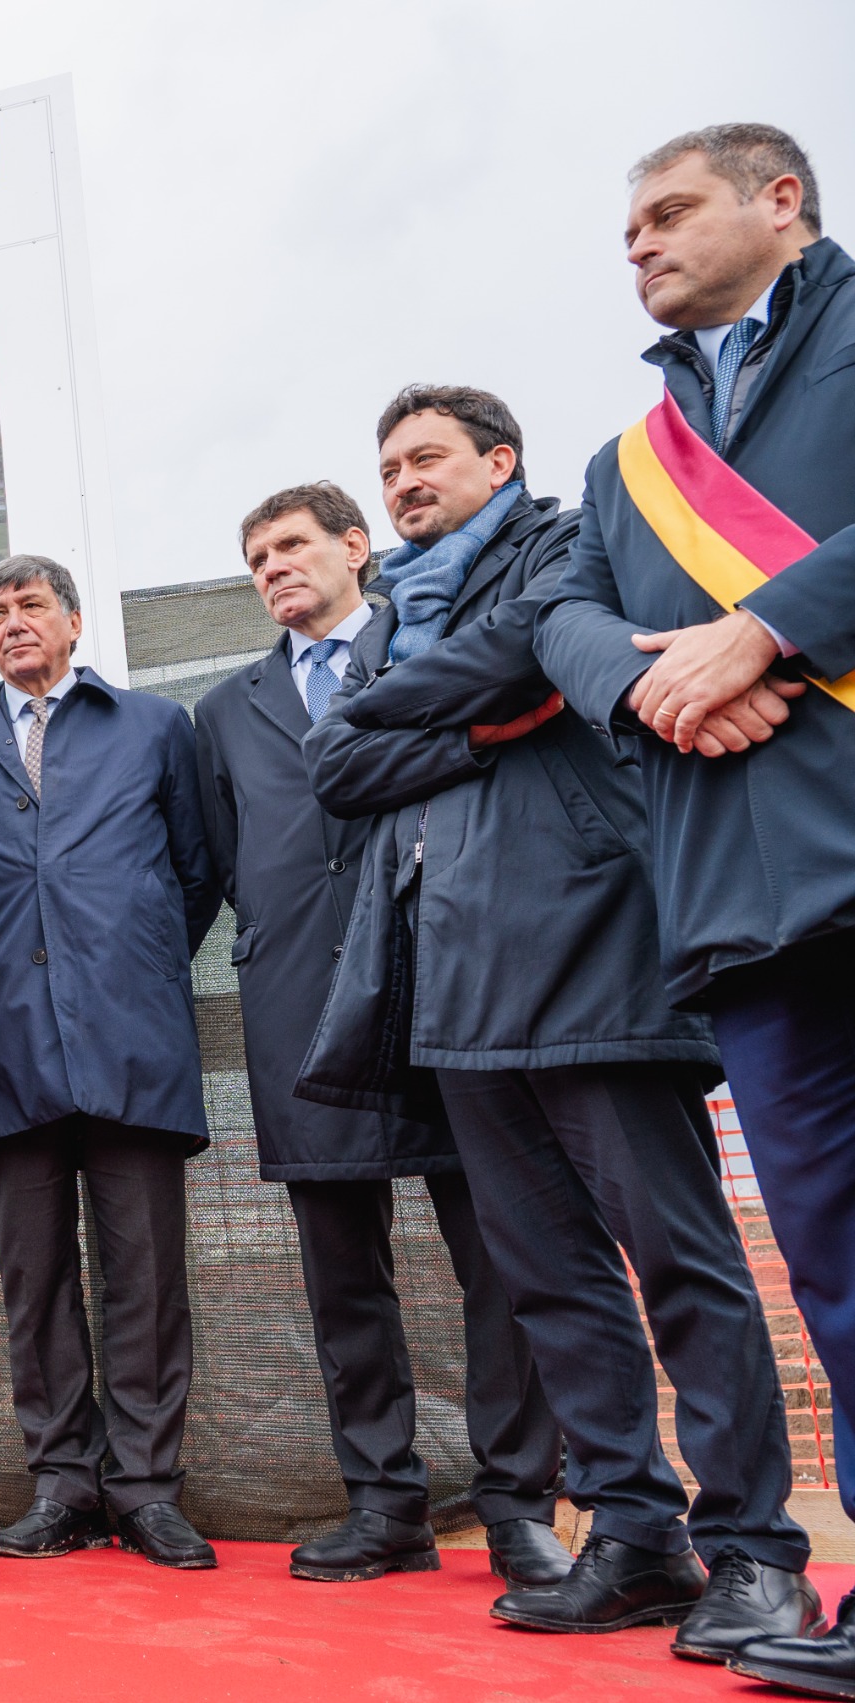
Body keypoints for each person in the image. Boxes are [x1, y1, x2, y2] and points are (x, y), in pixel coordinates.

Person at [307, 383, 815, 1660]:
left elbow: (535, 645)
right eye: (389, 466)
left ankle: (753, 1547)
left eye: (427, 458)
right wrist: (475, 724)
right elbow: (336, 763)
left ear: (500, 460)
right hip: (455, 983)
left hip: (600, 956)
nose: (405, 481)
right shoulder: (390, 622)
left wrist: (442, 695)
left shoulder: (561, 541)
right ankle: (635, 1535)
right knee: (547, 1281)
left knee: (683, 1265)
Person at [533, 125, 855, 1694]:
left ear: (779, 201)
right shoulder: (625, 462)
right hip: (742, 893)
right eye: (630, 224)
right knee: (835, 1260)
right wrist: (666, 678)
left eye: (669, 212)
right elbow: (564, 619)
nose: (640, 243)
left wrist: (767, 629)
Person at [197, 483, 567, 1586]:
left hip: (443, 980)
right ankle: (383, 1503)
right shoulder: (222, 710)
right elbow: (226, 855)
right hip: (298, 1007)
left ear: (356, 547)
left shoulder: (433, 644)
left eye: (293, 544)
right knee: (341, 1275)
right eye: (255, 555)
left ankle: (517, 1506)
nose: (274, 567)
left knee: (501, 1256)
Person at [0, 554, 221, 1571]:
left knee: (144, 1277)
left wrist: (124, 960)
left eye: (30, 605)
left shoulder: (152, 728)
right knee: (34, 1278)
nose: (12, 623)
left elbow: (194, 875)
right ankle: (61, 1482)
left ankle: (145, 1488)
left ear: (73, 620)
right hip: (4, 1042)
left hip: (132, 1038)